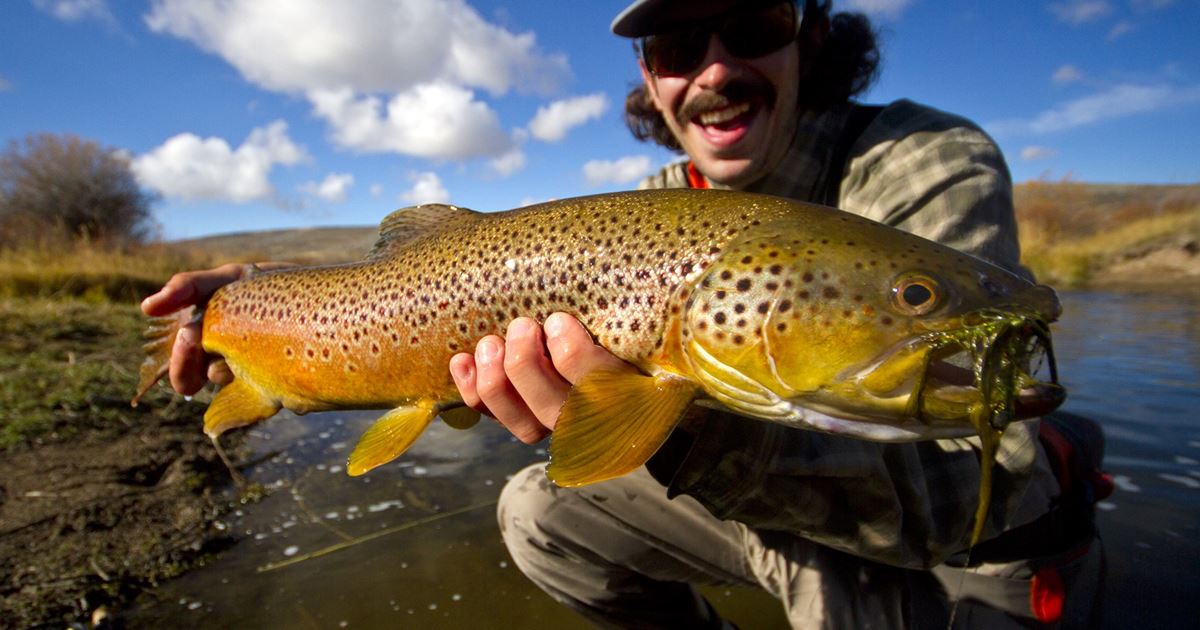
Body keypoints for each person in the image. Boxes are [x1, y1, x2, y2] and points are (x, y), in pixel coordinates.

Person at [142, 1, 1107, 627]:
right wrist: (252, 299)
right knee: (540, 513)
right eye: (680, 44)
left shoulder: (925, 164)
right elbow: (406, 279)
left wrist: (670, 437)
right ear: (651, 76)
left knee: (854, 604)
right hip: (772, 484)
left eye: (752, 19)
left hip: (968, 534)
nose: (716, 68)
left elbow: (947, 498)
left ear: (809, 31)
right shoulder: (657, 204)